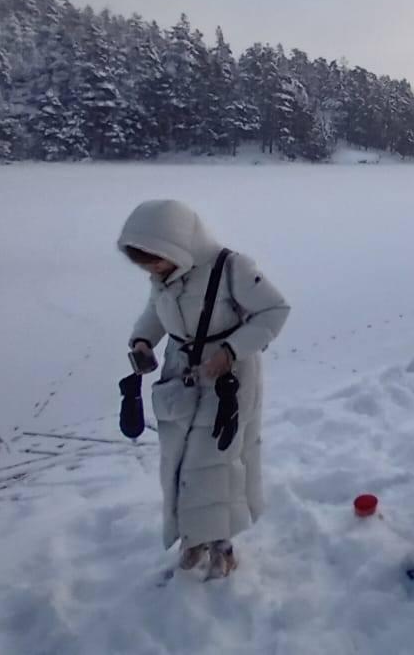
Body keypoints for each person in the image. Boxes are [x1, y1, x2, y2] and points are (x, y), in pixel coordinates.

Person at [119, 199, 290, 578]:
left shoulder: (233, 268)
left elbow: (275, 311)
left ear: (175, 246)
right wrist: (143, 340)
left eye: (154, 262)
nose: (151, 271)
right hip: (181, 376)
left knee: (214, 462)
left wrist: (230, 351)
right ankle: (194, 537)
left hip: (228, 378)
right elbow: (155, 311)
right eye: (145, 265)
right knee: (179, 461)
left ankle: (223, 545)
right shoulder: (165, 275)